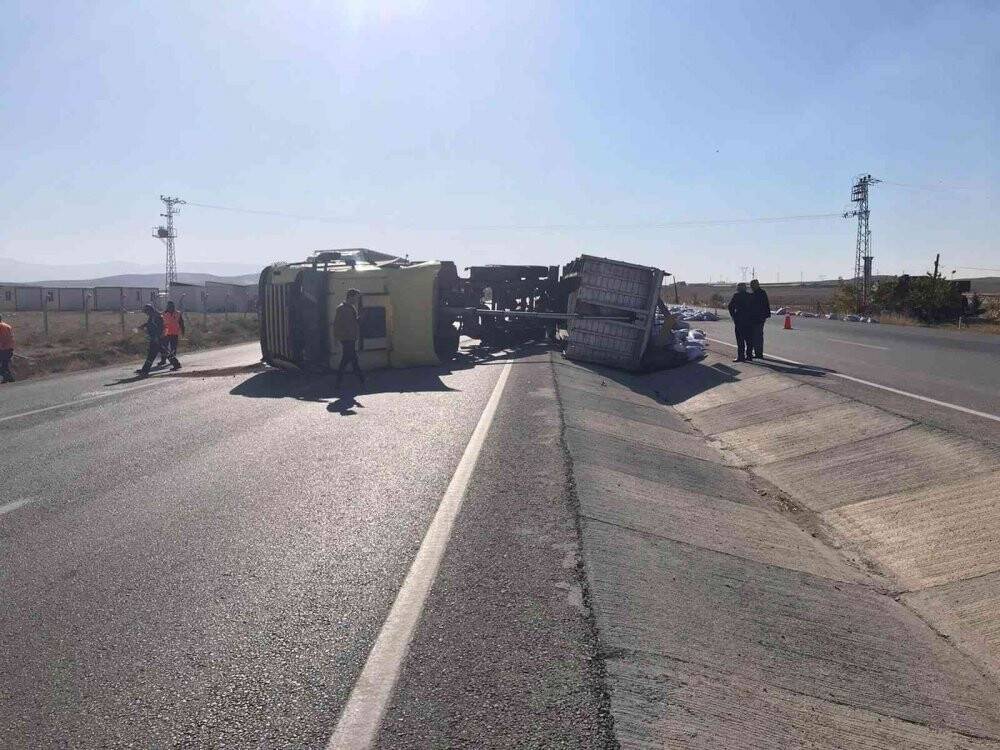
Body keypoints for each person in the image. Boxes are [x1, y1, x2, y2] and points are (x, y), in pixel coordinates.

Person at [333, 289, 365, 389]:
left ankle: (360, 380)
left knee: (351, 359)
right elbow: (337, 324)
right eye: (356, 297)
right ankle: (360, 380)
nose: (356, 299)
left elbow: (354, 321)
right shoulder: (341, 308)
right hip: (346, 338)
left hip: (351, 337)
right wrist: (336, 338)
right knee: (347, 359)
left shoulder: (351, 308)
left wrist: (359, 319)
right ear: (350, 296)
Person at [136, 304, 179, 377]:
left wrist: (157, 337)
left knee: (151, 354)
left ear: (149, 310)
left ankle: (145, 370)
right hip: (157, 338)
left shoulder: (157, 316)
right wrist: (143, 326)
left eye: (146, 311)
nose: (146, 313)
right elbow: (150, 324)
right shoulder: (153, 316)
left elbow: (161, 327)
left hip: (158, 338)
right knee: (165, 352)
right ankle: (176, 364)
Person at [727, 282, 755, 362]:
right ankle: (749, 356)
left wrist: (733, 315)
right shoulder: (750, 296)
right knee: (749, 339)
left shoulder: (737, 296)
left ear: (739, 288)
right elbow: (755, 308)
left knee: (740, 339)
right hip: (749, 320)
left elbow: (730, 306)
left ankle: (741, 356)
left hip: (739, 320)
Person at [749, 279, 771, 359]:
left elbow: (764, 305)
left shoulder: (759, 293)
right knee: (757, 335)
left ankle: (758, 353)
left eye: (752, 285)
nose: (751, 287)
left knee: (757, 335)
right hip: (758, 317)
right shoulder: (758, 293)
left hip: (758, 318)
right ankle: (757, 352)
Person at [158, 301, 185, 367]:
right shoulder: (164, 313)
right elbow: (160, 324)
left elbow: (181, 323)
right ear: (167, 306)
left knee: (173, 348)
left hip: (175, 333)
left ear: (173, 306)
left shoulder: (178, 313)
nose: (170, 307)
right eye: (169, 306)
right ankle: (163, 360)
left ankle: (173, 360)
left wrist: (183, 331)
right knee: (164, 348)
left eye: (171, 306)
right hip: (166, 333)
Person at [0, 314, 15, 383]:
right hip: (9, 347)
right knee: (5, 364)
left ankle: (9, 378)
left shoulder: (1, 327)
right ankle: (9, 378)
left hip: (3, 348)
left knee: (4, 364)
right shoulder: (6, 325)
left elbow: (3, 338)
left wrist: (2, 346)